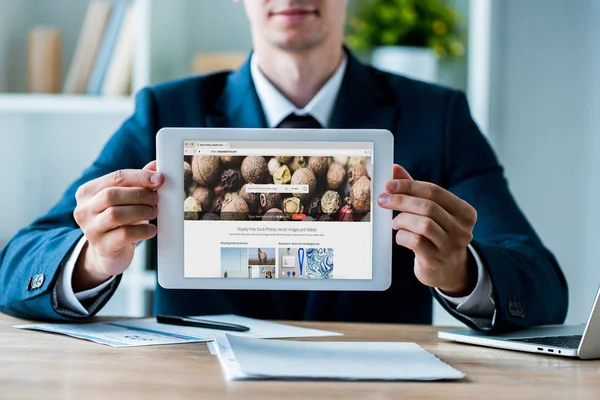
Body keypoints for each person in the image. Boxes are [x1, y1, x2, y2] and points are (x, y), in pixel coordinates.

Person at [0, 0, 567, 331]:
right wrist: (95, 257)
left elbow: (541, 283)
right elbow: (16, 264)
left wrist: (461, 271)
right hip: (200, 387)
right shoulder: (167, 111)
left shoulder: (435, 116)